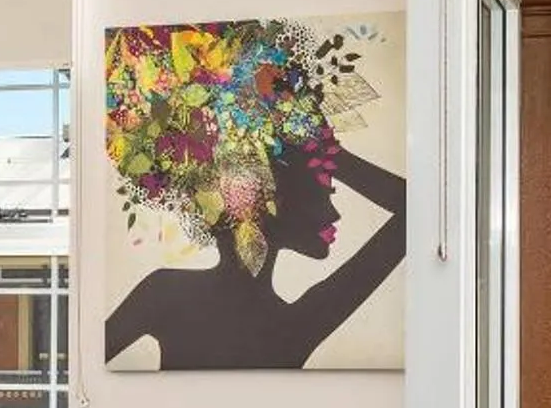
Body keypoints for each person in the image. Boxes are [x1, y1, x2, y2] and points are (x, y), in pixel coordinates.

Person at [102, 19, 406, 370]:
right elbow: (413, 212)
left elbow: (416, 213)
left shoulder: (164, 293)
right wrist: (326, 151)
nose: (334, 215)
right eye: (324, 193)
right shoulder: (300, 323)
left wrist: (319, 149)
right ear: (265, 199)